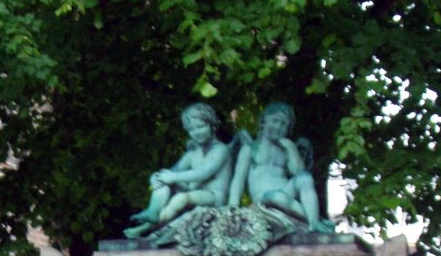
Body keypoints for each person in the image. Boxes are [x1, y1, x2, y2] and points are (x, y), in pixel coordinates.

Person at [125, 103, 233, 239]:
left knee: (180, 198)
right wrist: (157, 177)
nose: (196, 132)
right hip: (195, 194)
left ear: (213, 125)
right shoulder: (193, 154)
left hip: (214, 197)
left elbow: (204, 173)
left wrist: (174, 177)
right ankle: (153, 211)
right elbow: (172, 171)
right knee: (164, 179)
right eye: (191, 129)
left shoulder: (221, 150)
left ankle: (144, 228)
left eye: (201, 127)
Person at [227, 102, 333, 233]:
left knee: (305, 178)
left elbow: (298, 172)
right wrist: (233, 207)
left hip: (286, 193)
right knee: (277, 196)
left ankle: (313, 222)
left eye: (284, 124)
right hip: (264, 198)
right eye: (275, 121)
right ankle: (316, 219)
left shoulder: (284, 149)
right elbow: (238, 179)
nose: (278, 127)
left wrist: (291, 148)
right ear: (263, 121)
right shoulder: (250, 149)